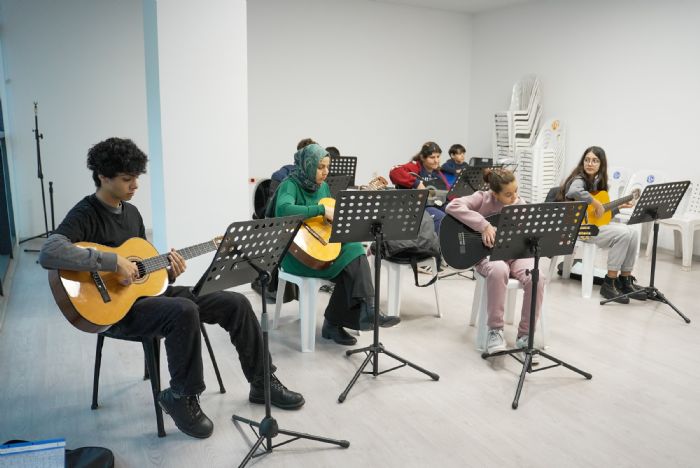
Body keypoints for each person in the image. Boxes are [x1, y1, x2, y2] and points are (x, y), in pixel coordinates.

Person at [39, 138, 304, 440]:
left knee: (235, 302)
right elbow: (49, 252)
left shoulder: (132, 213)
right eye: (126, 179)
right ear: (103, 177)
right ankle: (181, 396)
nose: (135, 185)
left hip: (146, 298)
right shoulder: (85, 213)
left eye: (136, 177)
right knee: (183, 310)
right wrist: (112, 262)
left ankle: (262, 382)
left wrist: (168, 271)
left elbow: (142, 271)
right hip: (115, 312)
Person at [273, 143, 400, 346]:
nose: (326, 172)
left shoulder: (322, 187)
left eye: (327, 167)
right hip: (296, 253)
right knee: (350, 267)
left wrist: (342, 214)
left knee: (355, 250)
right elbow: (283, 209)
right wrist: (321, 210)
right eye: (320, 167)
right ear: (307, 165)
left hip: (320, 246)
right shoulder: (290, 185)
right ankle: (337, 322)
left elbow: (329, 218)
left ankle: (365, 310)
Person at [445, 168, 545, 354]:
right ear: (495, 193)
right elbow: (453, 206)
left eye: (516, 191)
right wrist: (483, 225)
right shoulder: (482, 198)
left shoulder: (520, 204)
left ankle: (525, 335)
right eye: (508, 194)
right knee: (499, 270)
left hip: (516, 255)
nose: (514, 196)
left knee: (536, 276)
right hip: (488, 255)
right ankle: (495, 331)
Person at [557, 146, 647, 303]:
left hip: (590, 226)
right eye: (587, 160)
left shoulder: (597, 182)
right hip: (578, 229)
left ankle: (625, 280)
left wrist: (618, 208)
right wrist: (596, 203)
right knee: (623, 234)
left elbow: (598, 217)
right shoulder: (579, 179)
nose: (590, 163)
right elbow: (574, 191)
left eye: (595, 160)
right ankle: (609, 283)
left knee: (633, 232)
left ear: (601, 164)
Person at [389, 141, 450, 234]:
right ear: (422, 157)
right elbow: (394, 171)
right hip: (417, 206)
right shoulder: (414, 166)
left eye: (438, 156)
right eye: (432, 157)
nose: (436, 161)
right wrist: (416, 183)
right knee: (441, 218)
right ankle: (438, 243)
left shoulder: (438, 173)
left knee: (455, 215)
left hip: (435, 204)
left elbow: (447, 192)